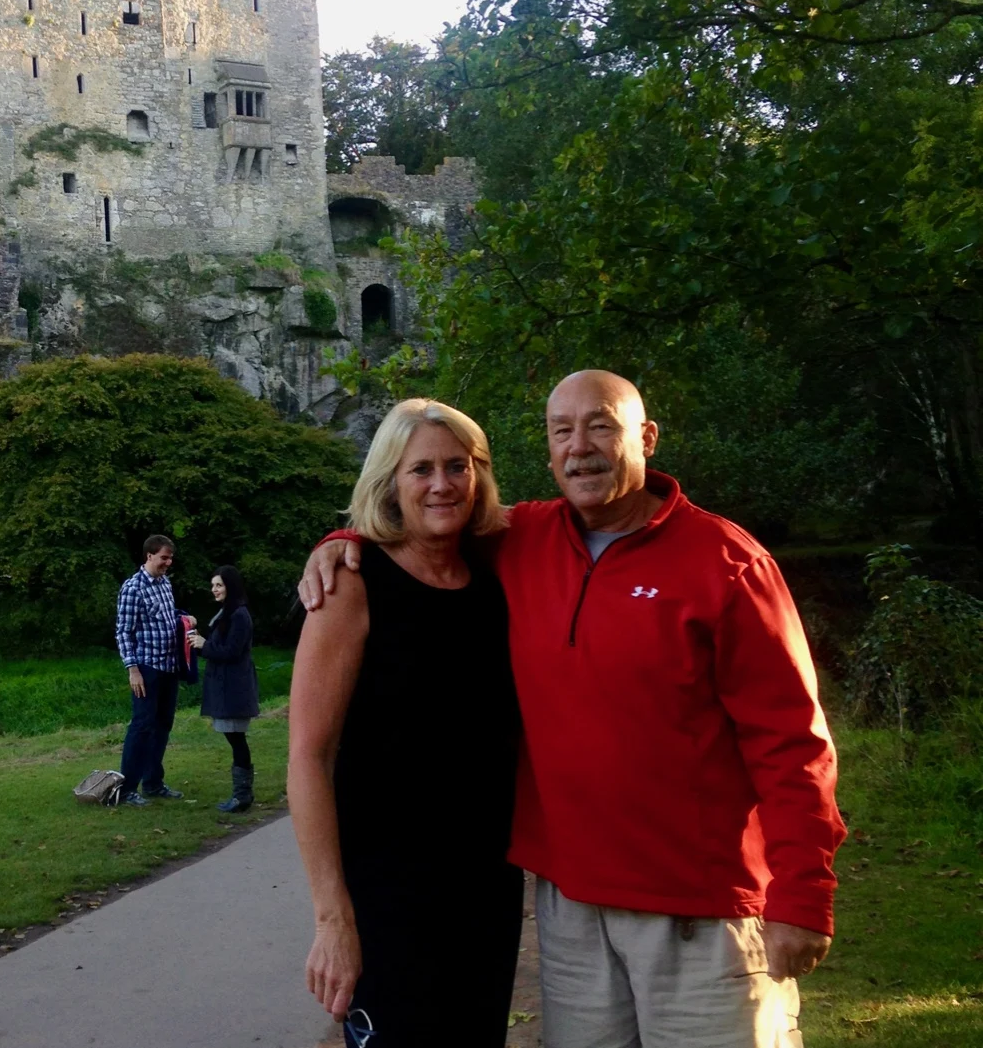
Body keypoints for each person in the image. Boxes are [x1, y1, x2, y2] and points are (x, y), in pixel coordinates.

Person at [302, 370, 846, 1048]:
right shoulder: (524, 538)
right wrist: (343, 543)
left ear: (646, 437)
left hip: (700, 913)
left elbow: (792, 741)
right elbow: (418, 533)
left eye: (601, 426)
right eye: (563, 430)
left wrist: (804, 893)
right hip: (573, 914)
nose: (580, 446)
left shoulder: (726, 561)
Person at [289, 398, 522, 1048]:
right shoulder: (352, 582)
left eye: (457, 465)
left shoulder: (495, 575)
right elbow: (308, 757)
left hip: (486, 889)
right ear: (390, 481)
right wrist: (332, 918)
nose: (442, 483)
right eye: (421, 469)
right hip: (387, 898)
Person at [115, 534, 195, 809]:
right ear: (149, 556)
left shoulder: (165, 583)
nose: (168, 563)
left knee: (162, 725)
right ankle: (127, 789)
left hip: (169, 667)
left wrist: (184, 619)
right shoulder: (133, 588)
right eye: (164, 558)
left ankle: (153, 783)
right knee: (142, 726)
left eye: (170, 558)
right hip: (147, 669)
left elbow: (166, 618)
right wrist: (133, 670)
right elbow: (123, 632)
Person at [188, 565, 259, 813]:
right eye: (213, 585)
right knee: (235, 738)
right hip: (224, 685)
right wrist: (199, 643)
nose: (214, 590)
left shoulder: (239, 615)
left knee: (237, 739)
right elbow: (218, 647)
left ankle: (242, 796)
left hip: (234, 687)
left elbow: (231, 652)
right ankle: (242, 795)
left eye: (219, 585)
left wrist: (205, 644)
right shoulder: (227, 612)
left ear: (230, 586)